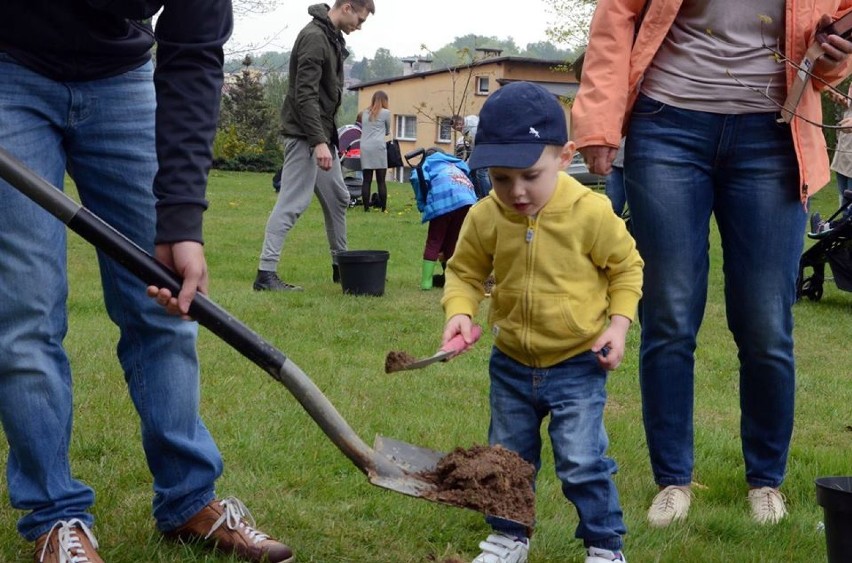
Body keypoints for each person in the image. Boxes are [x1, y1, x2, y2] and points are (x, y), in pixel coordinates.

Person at [0, 2, 294, 562]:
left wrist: (182, 218)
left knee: (165, 302)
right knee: (25, 314)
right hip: (8, 68)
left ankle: (190, 501)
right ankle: (56, 517)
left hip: (123, 76)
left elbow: (193, 54)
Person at [572, 0, 852, 528]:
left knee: (767, 325)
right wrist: (599, 121)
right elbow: (616, 16)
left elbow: (835, 36)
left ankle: (765, 482)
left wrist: (838, 55)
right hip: (667, 125)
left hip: (777, 133)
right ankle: (672, 480)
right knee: (670, 314)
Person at [441, 82, 643, 563]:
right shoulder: (487, 215)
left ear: (565, 155)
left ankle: (604, 546)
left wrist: (618, 325)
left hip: (577, 362)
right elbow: (465, 271)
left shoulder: (590, 213)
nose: (516, 191)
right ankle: (510, 538)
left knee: (582, 461)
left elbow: (627, 268)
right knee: (506, 461)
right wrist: (460, 313)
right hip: (510, 362)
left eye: (529, 175)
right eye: (501, 177)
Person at [253, 0, 375, 292]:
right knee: (292, 203)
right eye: (359, 19)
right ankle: (265, 274)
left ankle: (341, 266)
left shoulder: (331, 37)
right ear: (346, 7)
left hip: (322, 134)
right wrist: (318, 142)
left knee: (338, 197)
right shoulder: (314, 37)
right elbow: (303, 95)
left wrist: (326, 140)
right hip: (305, 136)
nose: (359, 27)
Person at [409, 149, 478, 290]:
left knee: (434, 240)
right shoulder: (455, 164)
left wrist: (422, 203)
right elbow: (468, 175)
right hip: (467, 201)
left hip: (443, 200)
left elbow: (417, 178)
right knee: (452, 240)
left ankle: (426, 283)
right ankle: (450, 279)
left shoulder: (427, 163)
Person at [359, 90, 392, 212]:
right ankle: (383, 208)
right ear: (384, 101)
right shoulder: (386, 113)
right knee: (381, 180)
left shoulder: (364, 113)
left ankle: (366, 207)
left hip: (365, 146)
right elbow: (387, 131)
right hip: (378, 147)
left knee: (366, 180)